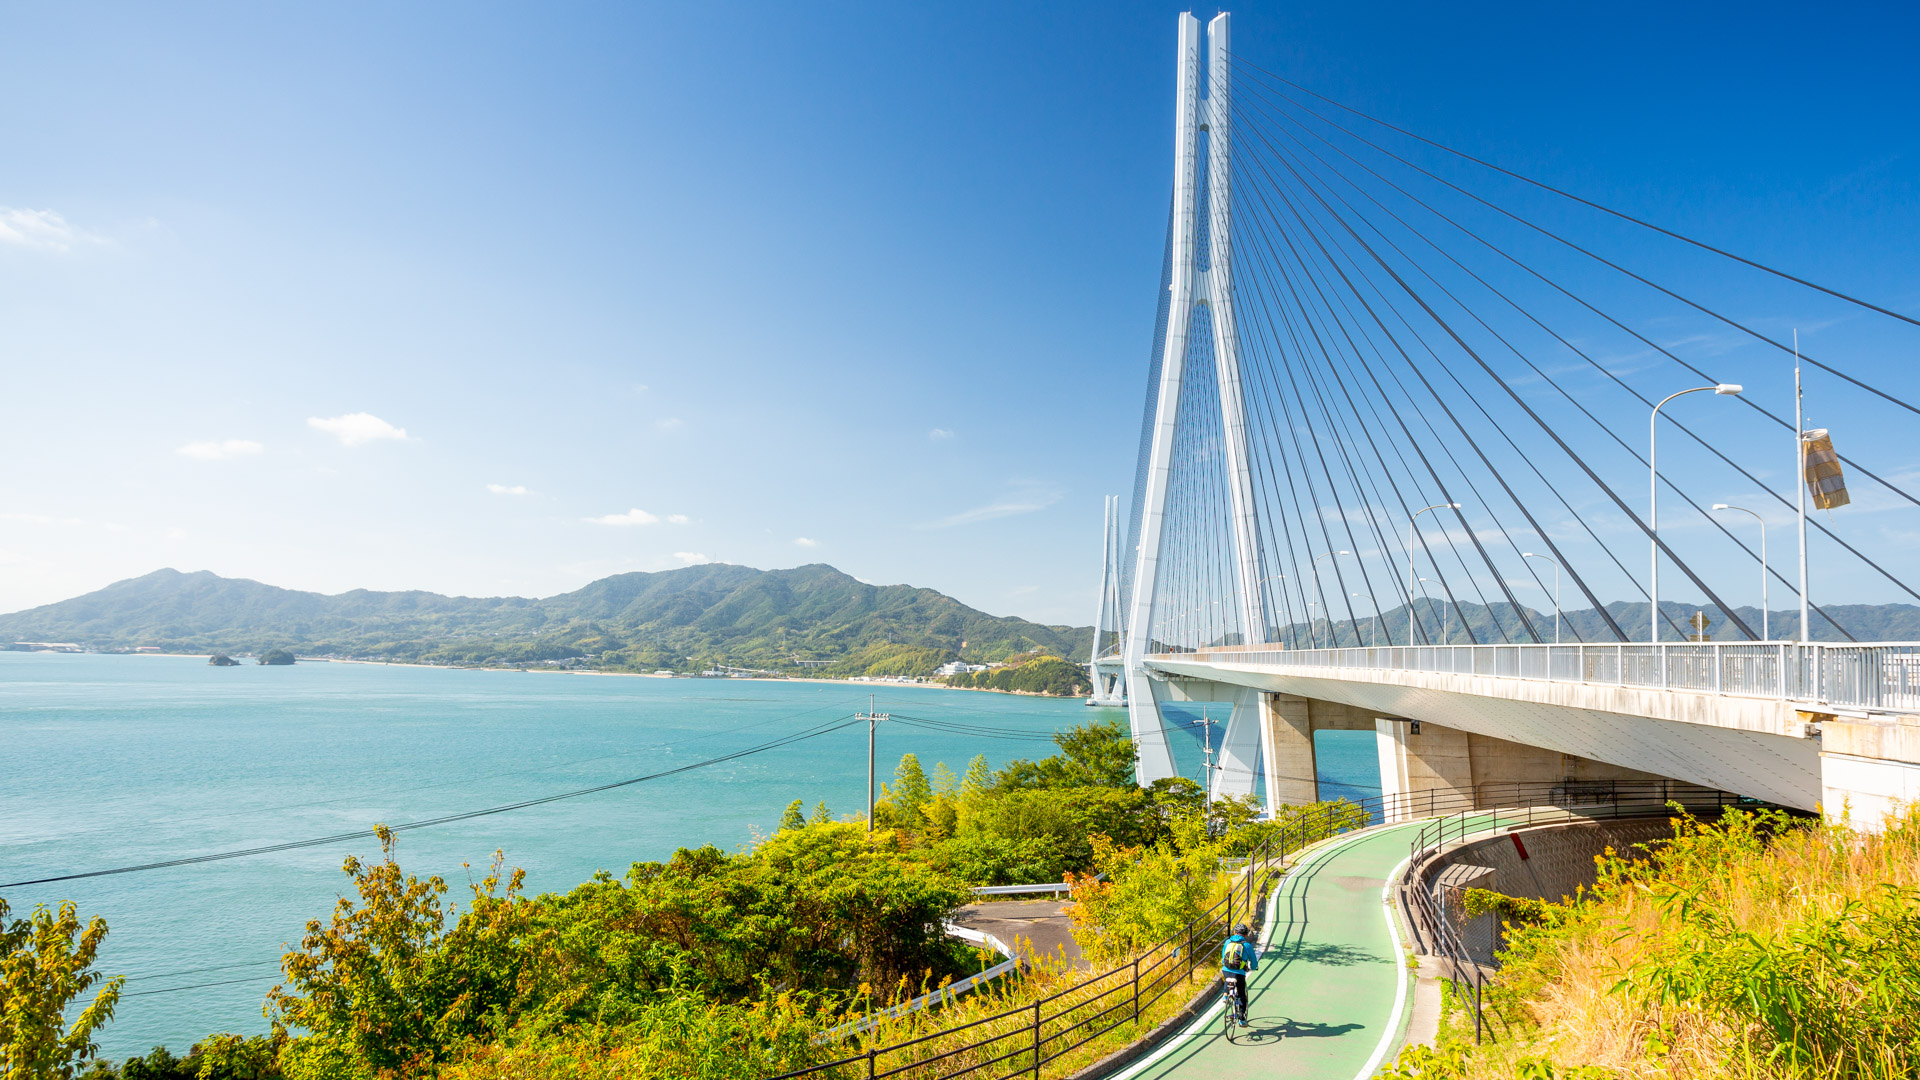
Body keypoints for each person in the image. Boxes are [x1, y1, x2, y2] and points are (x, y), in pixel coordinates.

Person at [1221, 923, 1257, 1026]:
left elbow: (1224, 956)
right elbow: (1253, 960)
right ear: (1245, 934)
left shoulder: (1227, 942)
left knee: (1228, 978)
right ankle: (1241, 1019)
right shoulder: (1247, 945)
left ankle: (1225, 995)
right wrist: (1254, 967)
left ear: (1234, 932)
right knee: (1241, 995)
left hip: (1226, 969)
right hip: (1239, 973)